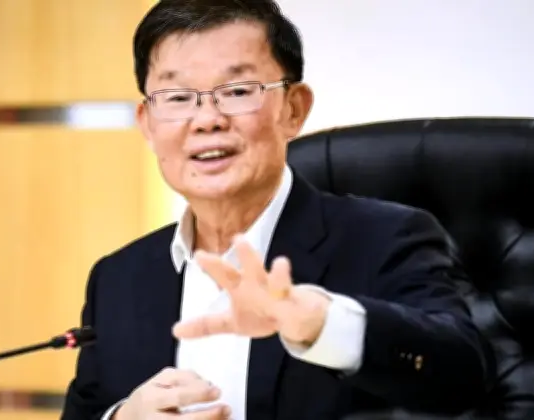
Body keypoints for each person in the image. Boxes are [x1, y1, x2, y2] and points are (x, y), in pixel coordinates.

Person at [61, 1, 494, 419]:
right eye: (177, 97)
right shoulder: (117, 278)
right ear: (148, 124)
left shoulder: (385, 238)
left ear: (293, 109)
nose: (207, 119)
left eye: (236, 91)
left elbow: (464, 374)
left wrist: (321, 324)